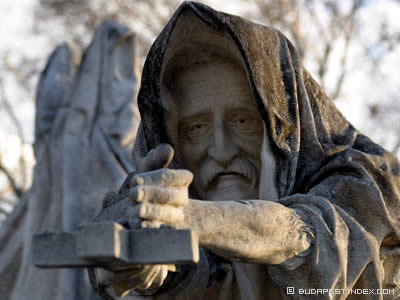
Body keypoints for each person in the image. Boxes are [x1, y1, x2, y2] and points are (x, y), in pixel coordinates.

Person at [91, 2, 400, 299]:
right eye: (197, 129)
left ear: (283, 127)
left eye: (243, 121)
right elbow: (173, 275)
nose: (222, 152)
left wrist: (193, 221)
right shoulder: (186, 224)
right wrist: (132, 252)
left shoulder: (367, 181)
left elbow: (322, 243)